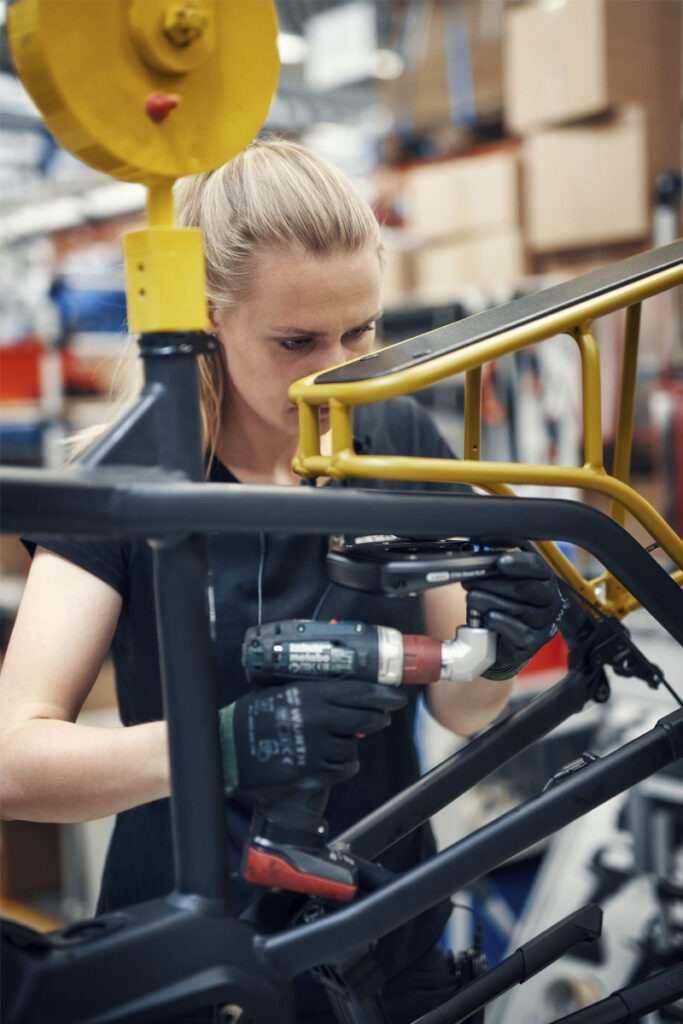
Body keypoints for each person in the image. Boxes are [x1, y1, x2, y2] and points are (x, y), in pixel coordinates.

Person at [0, 136, 565, 1023]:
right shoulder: (130, 483)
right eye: (295, 340)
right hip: (190, 948)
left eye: (361, 330)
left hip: (387, 931)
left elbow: (460, 709)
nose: (336, 370)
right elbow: (13, 760)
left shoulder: (399, 440)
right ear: (207, 319)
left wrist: (496, 651)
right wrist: (220, 745)